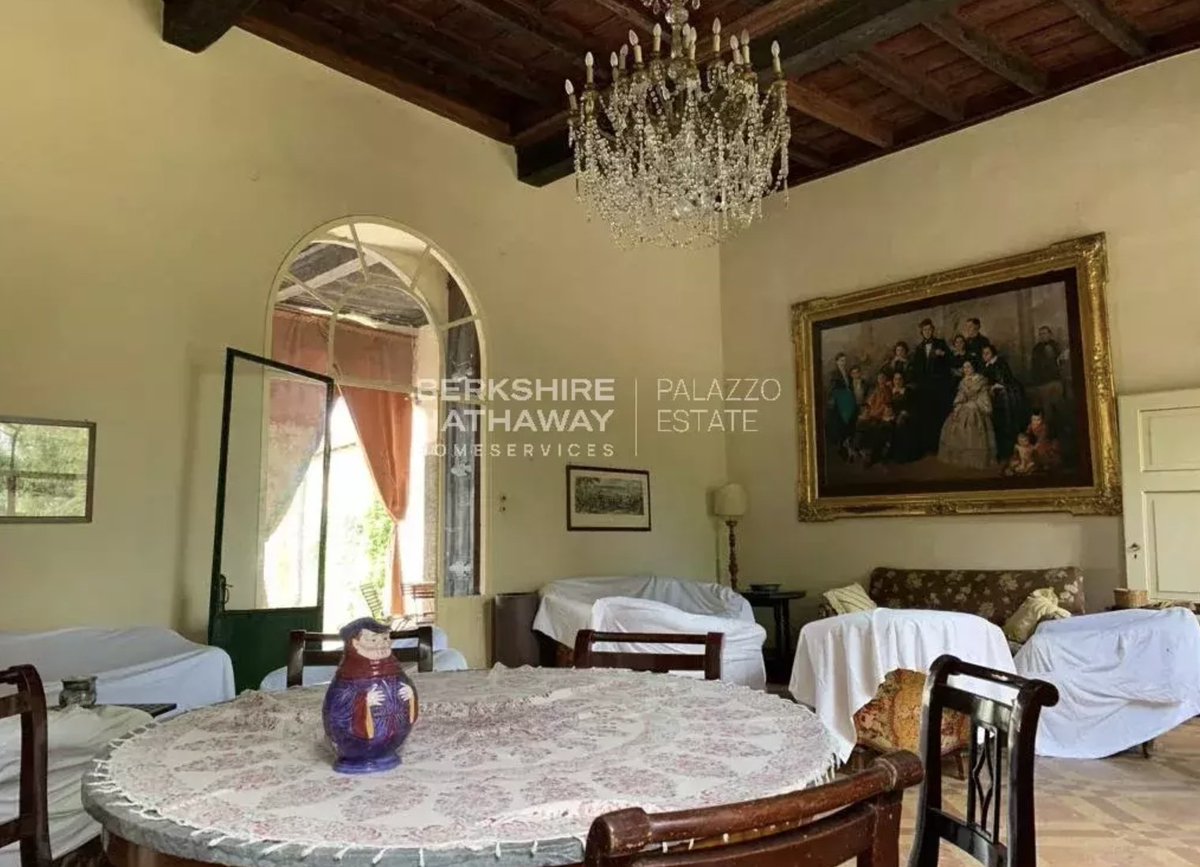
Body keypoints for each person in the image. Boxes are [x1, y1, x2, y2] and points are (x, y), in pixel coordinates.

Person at [938, 359, 996, 469]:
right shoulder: (963, 381)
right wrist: (959, 403)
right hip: (965, 406)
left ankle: (975, 458)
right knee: (956, 418)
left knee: (971, 416)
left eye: (968, 367)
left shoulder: (980, 381)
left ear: (974, 368)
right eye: (964, 367)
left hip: (977, 407)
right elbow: (961, 395)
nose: (966, 370)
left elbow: (984, 398)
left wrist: (975, 404)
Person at [910, 318, 953, 454]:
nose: (927, 332)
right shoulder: (919, 348)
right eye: (925, 330)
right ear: (922, 332)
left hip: (939, 386)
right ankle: (928, 446)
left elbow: (950, 360)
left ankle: (939, 446)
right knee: (926, 416)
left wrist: (943, 354)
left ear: (933, 330)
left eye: (929, 329)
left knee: (938, 415)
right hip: (924, 387)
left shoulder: (941, 343)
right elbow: (916, 368)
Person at [980, 344, 1028, 461]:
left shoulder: (999, 363)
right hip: (998, 395)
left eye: (987, 353)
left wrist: (994, 387)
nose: (985, 356)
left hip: (1008, 395)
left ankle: (1009, 451)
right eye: (983, 354)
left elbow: (1003, 381)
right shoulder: (987, 365)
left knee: (1006, 422)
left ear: (993, 353)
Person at [854, 372, 894, 466]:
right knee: (860, 424)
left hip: (881, 415)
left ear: (885, 379)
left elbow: (886, 405)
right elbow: (869, 402)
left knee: (874, 427)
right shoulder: (875, 389)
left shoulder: (888, 390)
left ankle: (870, 455)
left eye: (883, 378)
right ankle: (861, 449)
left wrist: (874, 414)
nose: (881, 380)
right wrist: (867, 411)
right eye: (879, 378)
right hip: (872, 414)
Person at [1029, 325, 1065, 428]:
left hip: (1056, 381)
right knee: (1047, 409)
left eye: (1044, 333)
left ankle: (1061, 427)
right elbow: (1035, 366)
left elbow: (1062, 362)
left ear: (1050, 334)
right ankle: (1049, 429)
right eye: (1040, 334)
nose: (1042, 336)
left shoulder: (1056, 346)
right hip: (1043, 383)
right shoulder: (1036, 349)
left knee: (1059, 406)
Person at [826, 353, 858, 458]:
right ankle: (842, 449)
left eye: (845, 361)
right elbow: (833, 389)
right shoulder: (834, 374)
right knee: (841, 426)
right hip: (839, 403)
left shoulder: (847, 374)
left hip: (848, 402)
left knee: (850, 425)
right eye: (841, 361)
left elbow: (850, 387)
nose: (843, 363)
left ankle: (849, 446)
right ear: (837, 362)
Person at [889, 371, 921, 463]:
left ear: (903, 380)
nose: (897, 381)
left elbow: (912, 406)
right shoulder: (890, 391)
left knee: (900, 424)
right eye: (896, 379)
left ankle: (901, 455)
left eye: (900, 379)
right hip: (892, 414)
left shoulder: (908, 391)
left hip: (905, 414)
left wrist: (905, 413)